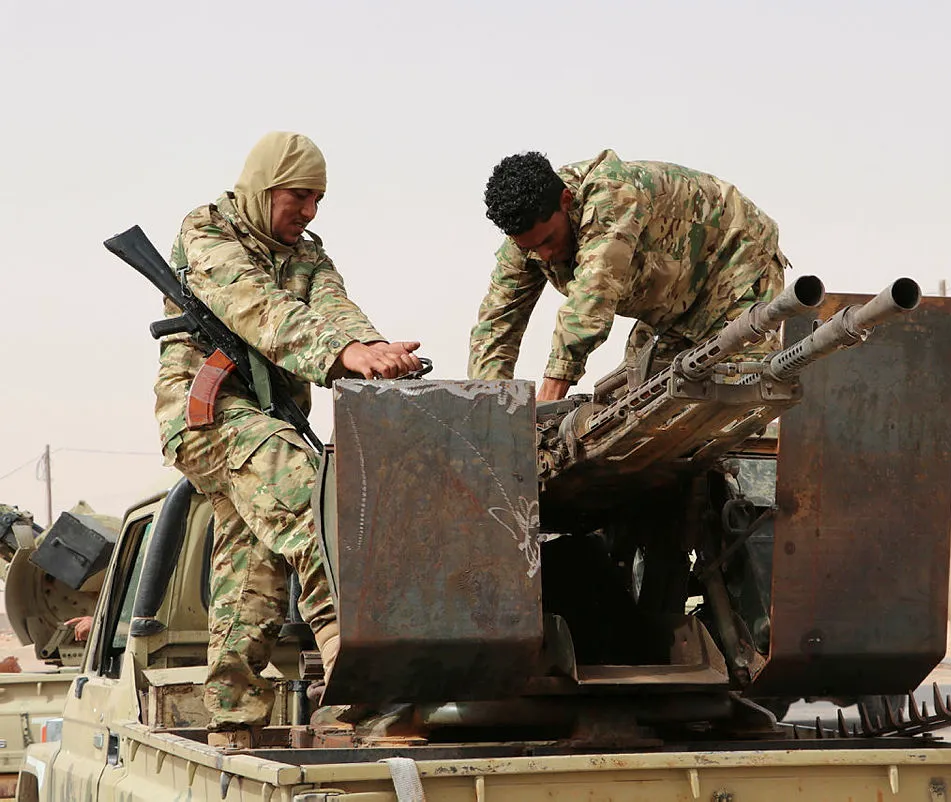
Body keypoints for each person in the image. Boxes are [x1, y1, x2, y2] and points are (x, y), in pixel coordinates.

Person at [154, 131, 422, 748]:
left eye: (318, 199)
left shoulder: (308, 255)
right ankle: (361, 687)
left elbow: (335, 309)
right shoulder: (209, 233)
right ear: (263, 186)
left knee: (253, 566)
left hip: (264, 416)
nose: (310, 211)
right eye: (299, 196)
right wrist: (341, 353)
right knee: (312, 498)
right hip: (205, 415)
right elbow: (257, 308)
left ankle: (231, 718)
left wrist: (372, 348)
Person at [468, 150, 790, 400]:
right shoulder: (527, 239)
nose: (545, 255)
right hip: (675, 300)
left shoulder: (611, 196)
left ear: (566, 201)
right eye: (531, 248)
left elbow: (592, 298)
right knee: (637, 404)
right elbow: (496, 326)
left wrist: (549, 396)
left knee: (734, 397)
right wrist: (491, 414)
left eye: (549, 240)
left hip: (735, 264)